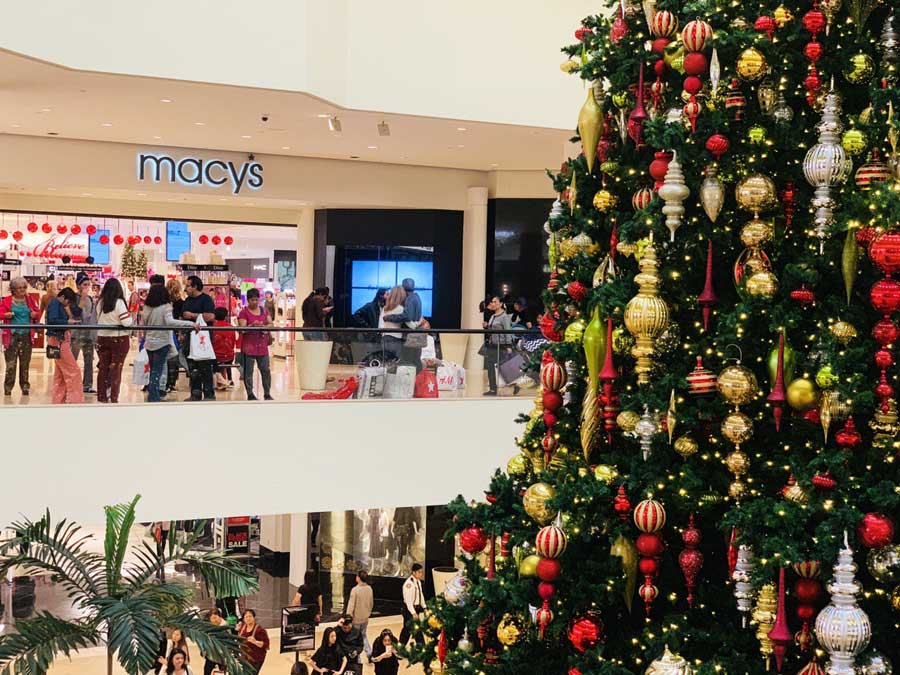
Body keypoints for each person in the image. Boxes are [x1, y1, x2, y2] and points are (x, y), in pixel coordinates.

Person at [142, 284, 197, 402]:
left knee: (153, 369)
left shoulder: (147, 307)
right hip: (162, 342)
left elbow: (143, 325)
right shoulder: (166, 307)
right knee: (158, 369)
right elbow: (170, 322)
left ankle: (153, 394)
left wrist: (145, 339)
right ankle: (154, 397)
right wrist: (190, 324)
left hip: (149, 343)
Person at [94, 278, 133, 403]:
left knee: (103, 368)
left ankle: (102, 397)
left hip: (102, 338)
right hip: (118, 339)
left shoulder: (100, 302)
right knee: (116, 369)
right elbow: (127, 322)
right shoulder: (119, 302)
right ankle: (113, 397)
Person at [1, 277, 39, 396]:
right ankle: (8, 387)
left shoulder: (30, 300)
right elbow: (0, 313)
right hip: (11, 336)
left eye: (24, 287)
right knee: (11, 364)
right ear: (13, 289)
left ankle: (25, 386)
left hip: (26, 335)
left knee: (25, 363)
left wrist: (34, 315)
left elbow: (37, 312)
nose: (22, 290)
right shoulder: (7, 300)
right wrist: (5, 315)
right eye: (19, 288)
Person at [180, 275, 216, 401]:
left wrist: (193, 315)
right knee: (193, 367)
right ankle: (195, 393)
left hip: (203, 340)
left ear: (195, 286)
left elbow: (211, 316)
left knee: (205, 366)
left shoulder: (206, 300)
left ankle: (209, 393)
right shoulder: (187, 301)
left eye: (188, 286)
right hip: (190, 339)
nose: (186, 288)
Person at [46, 287, 84, 405]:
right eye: (67, 301)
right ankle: (75, 401)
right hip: (60, 341)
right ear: (63, 297)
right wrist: (67, 322)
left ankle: (59, 400)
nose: (68, 304)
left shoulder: (56, 304)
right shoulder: (55, 303)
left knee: (61, 373)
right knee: (73, 371)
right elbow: (52, 321)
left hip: (58, 340)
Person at [382, 278, 426, 372]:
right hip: (419, 331)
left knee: (408, 361)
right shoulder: (417, 297)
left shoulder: (409, 299)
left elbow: (407, 316)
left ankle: (411, 382)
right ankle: (417, 381)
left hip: (413, 333)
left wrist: (390, 317)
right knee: (416, 359)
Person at [237, 288, 274, 400]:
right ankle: (250, 393)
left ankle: (267, 392)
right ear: (248, 300)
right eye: (252, 300)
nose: (255, 302)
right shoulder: (243, 312)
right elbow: (242, 329)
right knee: (248, 371)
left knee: (265, 370)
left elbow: (271, 324)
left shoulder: (264, 310)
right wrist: (252, 325)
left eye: (256, 300)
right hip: (249, 345)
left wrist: (264, 326)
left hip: (262, 345)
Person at [483, 295, 514, 396]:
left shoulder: (504, 316)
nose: (493, 304)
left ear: (501, 304)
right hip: (492, 345)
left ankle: (515, 383)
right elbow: (492, 330)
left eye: (495, 302)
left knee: (504, 367)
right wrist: (486, 326)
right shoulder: (493, 316)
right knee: (490, 366)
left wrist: (508, 345)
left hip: (501, 345)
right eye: (492, 302)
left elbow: (507, 331)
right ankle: (493, 389)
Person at [72, 272, 98, 394]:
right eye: (84, 284)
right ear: (78, 285)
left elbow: (92, 316)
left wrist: (94, 334)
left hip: (88, 334)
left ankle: (87, 385)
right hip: (75, 334)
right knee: (72, 360)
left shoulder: (90, 299)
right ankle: (71, 384)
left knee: (89, 361)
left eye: (88, 284)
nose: (87, 287)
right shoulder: (73, 298)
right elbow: (76, 313)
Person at [346, 570, 374, 659]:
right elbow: (371, 604)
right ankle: (369, 652)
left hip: (356, 619)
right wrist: (368, 613)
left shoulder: (355, 590)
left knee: (354, 638)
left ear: (358, 578)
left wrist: (348, 617)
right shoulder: (369, 589)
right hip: (365, 618)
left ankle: (357, 658)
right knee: (363, 635)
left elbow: (351, 605)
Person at [165, 278, 185, 392]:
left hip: (167, 331)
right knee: (174, 357)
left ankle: (166, 381)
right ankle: (172, 382)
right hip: (177, 331)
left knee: (166, 358)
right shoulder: (181, 303)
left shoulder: (165, 302)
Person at [399, 563, 426, 647]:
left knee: (408, 629)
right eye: (419, 572)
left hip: (415, 609)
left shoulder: (418, 582)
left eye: (422, 572)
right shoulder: (409, 584)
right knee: (414, 629)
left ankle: (400, 648)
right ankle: (421, 647)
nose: (421, 574)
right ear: (413, 572)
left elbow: (420, 595)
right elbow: (408, 601)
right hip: (409, 610)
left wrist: (424, 607)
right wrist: (413, 613)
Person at [212, 307, 237, 391]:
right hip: (229, 356)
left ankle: (219, 380)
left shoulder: (212, 327)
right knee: (226, 356)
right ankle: (228, 379)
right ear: (226, 316)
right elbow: (233, 343)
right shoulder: (231, 327)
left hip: (216, 357)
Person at [237, 609, 269, 674]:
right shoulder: (242, 628)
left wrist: (255, 642)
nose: (248, 618)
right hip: (245, 658)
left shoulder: (260, 630)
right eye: (246, 617)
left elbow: (266, 644)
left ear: (254, 617)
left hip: (257, 658)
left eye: (250, 616)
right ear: (243, 619)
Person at [379, 286, 407, 361]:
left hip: (384, 338)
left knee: (386, 363)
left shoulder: (385, 308)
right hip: (395, 339)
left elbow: (380, 326)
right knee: (395, 363)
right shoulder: (401, 309)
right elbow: (410, 323)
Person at [203, 609, 228, 675]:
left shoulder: (225, 628)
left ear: (220, 617)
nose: (214, 620)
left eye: (215, 617)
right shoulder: (209, 628)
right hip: (211, 656)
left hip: (222, 657)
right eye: (212, 618)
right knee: (207, 671)